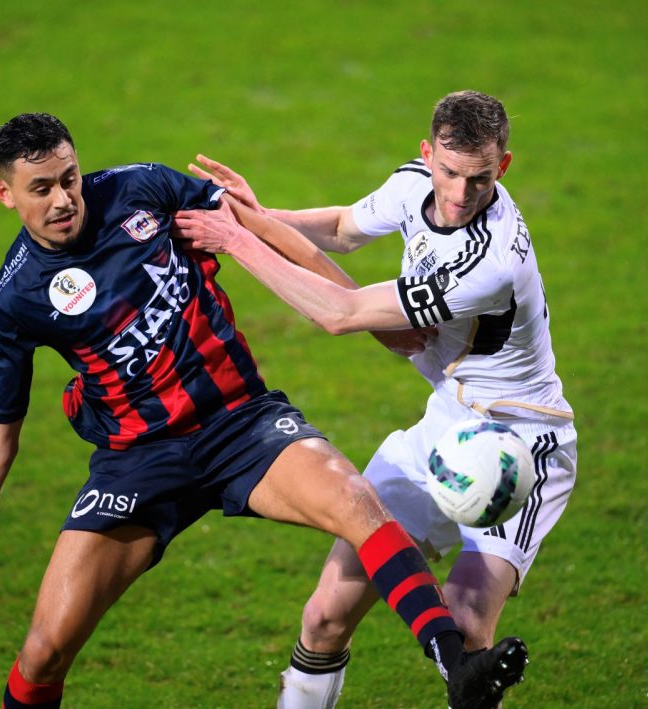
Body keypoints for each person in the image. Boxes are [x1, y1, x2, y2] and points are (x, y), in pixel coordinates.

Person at [0, 112, 529, 709]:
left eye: (69, 179)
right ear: (5, 194)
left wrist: (357, 307)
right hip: (137, 462)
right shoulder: (15, 300)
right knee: (46, 649)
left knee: (360, 505)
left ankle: (454, 665)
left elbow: (263, 236)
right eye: (41, 189)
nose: (62, 200)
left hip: (242, 424)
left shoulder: (143, 190)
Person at [174, 90, 576, 708]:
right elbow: (339, 231)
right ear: (427, 154)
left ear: (504, 166)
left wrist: (239, 240)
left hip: (522, 442)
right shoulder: (414, 184)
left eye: (480, 178)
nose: (461, 193)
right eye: (449, 172)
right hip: (448, 423)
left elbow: (344, 313)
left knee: (465, 630)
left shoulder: (487, 264)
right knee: (326, 614)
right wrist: (260, 215)